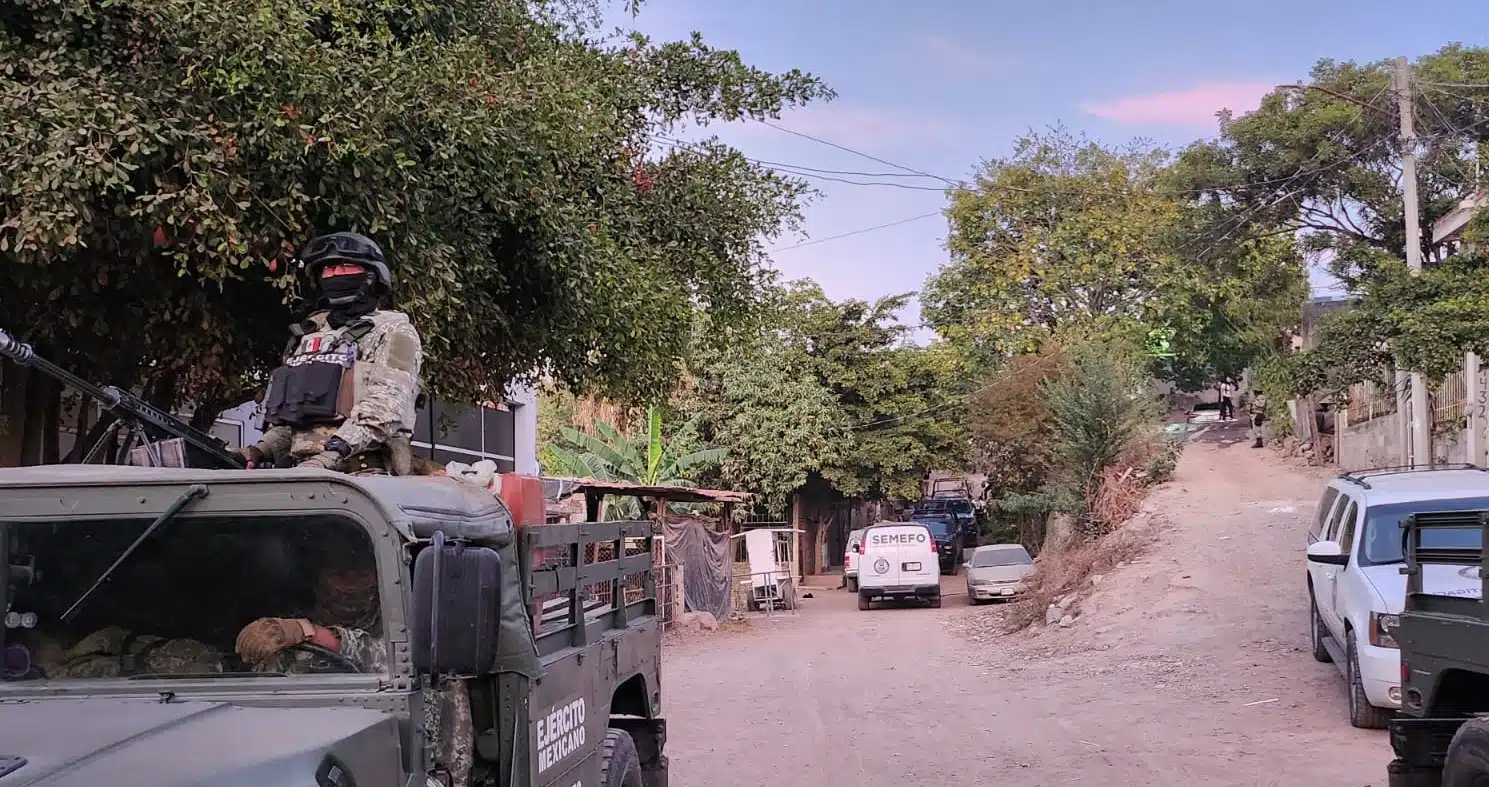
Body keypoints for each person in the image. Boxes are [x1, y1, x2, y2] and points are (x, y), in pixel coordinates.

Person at [239, 232, 423, 474]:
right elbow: (295, 421)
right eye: (327, 270)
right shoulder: (309, 336)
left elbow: (387, 406)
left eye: (345, 267)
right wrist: (260, 450)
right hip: (302, 473)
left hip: (364, 476)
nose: (334, 275)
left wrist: (332, 453)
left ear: (372, 276)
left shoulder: (393, 331)